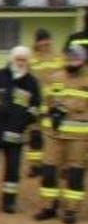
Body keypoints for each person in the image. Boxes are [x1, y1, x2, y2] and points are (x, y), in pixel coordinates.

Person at [0, 46, 42, 213]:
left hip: (15, 136)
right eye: (18, 59)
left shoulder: (31, 82)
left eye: (24, 60)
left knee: (13, 171)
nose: (20, 62)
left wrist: (22, 122)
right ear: (11, 59)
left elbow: (35, 108)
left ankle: (9, 202)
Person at [34, 44, 88, 224]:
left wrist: (69, 108)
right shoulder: (55, 78)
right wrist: (50, 112)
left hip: (78, 137)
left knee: (75, 174)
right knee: (48, 171)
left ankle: (71, 209)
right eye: (69, 57)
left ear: (83, 60)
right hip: (53, 134)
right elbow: (45, 101)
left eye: (76, 58)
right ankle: (49, 206)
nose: (72, 61)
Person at [27, 28, 65, 176]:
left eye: (46, 40)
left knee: (56, 135)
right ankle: (35, 166)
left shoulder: (59, 58)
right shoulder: (31, 59)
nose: (44, 44)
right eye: (41, 41)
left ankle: (59, 166)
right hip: (36, 102)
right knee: (35, 135)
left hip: (55, 103)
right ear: (36, 42)